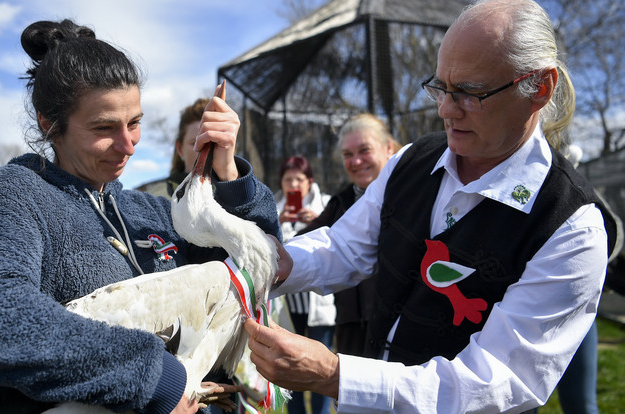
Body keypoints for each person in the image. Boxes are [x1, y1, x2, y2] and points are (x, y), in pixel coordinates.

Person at [243, 0, 618, 412]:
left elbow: (491, 383)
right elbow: (346, 246)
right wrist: (269, 262)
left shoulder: (571, 227)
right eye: (440, 87)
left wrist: (335, 375)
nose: (445, 110)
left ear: (539, 88)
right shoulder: (412, 160)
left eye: (471, 93)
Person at [0, 19, 280, 414]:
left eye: (135, 123)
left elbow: (261, 270)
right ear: (49, 123)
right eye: (104, 127)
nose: (128, 146)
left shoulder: (155, 212)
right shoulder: (16, 194)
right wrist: (155, 378)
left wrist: (227, 176)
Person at [295, 114, 399, 357]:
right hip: (351, 327)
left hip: (397, 325)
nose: (356, 161)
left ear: (388, 149)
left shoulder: (410, 197)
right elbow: (302, 243)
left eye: (365, 150)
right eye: (347, 155)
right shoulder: (340, 203)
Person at [274, 155, 333, 414]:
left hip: (320, 304)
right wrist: (277, 223)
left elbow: (341, 243)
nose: (294, 184)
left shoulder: (328, 205)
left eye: (300, 178)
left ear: (310, 182)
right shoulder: (274, 210)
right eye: (288, 179)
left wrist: (319, 220)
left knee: (322, 368)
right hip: (289, 305)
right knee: (290, 366)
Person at [136, 98, 210, 199]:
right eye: (196, 143)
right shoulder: (156, 200)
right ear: (180, 149)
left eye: (213, 143)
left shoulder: (238, 192)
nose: (206, 151)